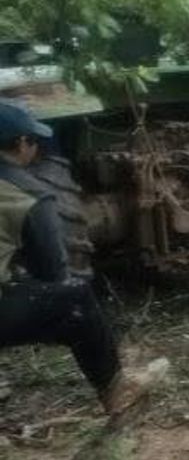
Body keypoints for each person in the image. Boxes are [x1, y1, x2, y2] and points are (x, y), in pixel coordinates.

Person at [0, 99, 150, 415]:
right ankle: (117, 391)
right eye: (34, 140)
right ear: (22, 143)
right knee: (75, 299)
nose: (36, 148)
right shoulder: (30, 194)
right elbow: (54, 273)